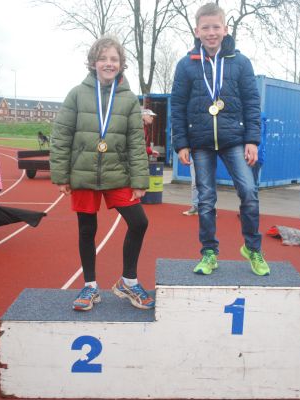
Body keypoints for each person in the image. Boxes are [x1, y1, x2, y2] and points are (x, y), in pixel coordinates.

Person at [50, 35, 155, 312]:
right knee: (87, 229)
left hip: (117, 172)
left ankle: (128, 281)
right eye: (103, 58)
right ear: (93, 62)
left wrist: (140, 180)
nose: (109, 63)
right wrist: (61, 175)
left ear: (121, 64)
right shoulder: (77, 94)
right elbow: (61, 136)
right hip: (83, 172)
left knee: (139, 222)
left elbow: (135, 142)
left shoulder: (128, 99)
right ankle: (90, 286)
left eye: (114, 59)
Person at [171, 3, 269, 276]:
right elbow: (177, 105)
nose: (211, 32)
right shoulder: (186, 65)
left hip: (234, 139)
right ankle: (209, 252)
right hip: (200, 141)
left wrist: (252, 140)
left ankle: (252, 248)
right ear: (197, 31)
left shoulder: (240, 62)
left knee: (248, 192)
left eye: (216, 27)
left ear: (225, 29)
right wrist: (181, 143)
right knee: (205, 199)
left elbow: (252, 102)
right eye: (206, 28)